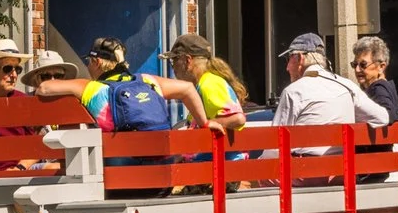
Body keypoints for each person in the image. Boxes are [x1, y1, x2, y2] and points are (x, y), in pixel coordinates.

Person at [34, 37, 207, 131]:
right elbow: (188, 89)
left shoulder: (90, 88)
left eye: (89, 62)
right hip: (160, 176)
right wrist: (205, 124)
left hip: (116, 177)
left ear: (97, 62)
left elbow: (44, 88)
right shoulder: (146, 80)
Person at [271, 33, 390, 128]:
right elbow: (382, 118)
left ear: (300, 58)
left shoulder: (293, 92)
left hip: (304, 158)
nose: (287, 68)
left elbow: (275, 146)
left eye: (288, 59)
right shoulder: (348, 86)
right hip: (343, 158)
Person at [167, 33, 247, 137]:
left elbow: (238, 119)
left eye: (174, 60)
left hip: (219, 153)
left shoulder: (210, 84)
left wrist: (202, 126)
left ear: (187, 60)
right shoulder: (203, 83)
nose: (173, 68)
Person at [350, 34, 398, 124]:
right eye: (355, 64)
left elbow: (389, 116)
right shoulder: (381, 87)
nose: (357, 69)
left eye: (363, 64)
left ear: (381, 67)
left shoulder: (379, 89)